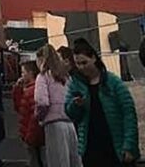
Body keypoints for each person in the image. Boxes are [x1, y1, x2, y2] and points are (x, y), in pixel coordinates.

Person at [66, 38, 139, 167]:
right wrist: (76, 105)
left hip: (114, 145)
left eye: (84, 62)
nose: (81, 67)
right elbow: (70, 113)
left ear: (94, 58)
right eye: (78, 64)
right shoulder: (75, 84)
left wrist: (129, 145)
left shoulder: (113, 82)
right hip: (90, 148)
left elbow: (129, 113)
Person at [34, 45, 78, 167]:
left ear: (41, 60)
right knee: (73, 161)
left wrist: (39, 117)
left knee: (57, 161)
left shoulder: (43, 77)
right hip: (70, 124)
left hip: (53, 124)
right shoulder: (66, 77)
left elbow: (42, 101)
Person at [12, 61, 43, 167]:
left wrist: (29, 135)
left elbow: (34, 115)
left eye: (23, 72)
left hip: (32, 133)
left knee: (35, 160)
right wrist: (17, 89)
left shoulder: (33, 90)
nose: (22, 75)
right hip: (28, 131)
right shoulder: (26, 89)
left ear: (30, 73)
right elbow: (18, 107)